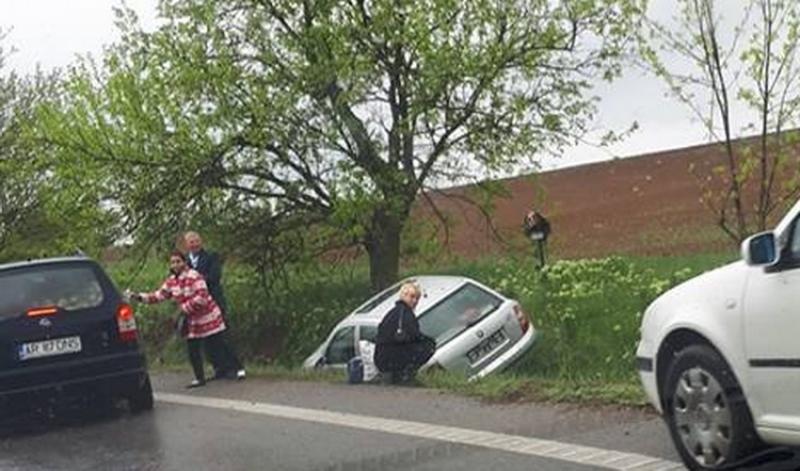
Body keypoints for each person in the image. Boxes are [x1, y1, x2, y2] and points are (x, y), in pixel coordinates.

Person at [130, 251, 243, 388]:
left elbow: (202, 297)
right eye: (173, 262)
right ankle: (199, 378)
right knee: (193, 349)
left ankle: (237, 368)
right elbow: (159, 295)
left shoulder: (194, 276)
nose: (176, 265)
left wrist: (183, 309)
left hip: (208, 316)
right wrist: (139, 297)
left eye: (178, 261)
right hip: (192, 321)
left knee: (219, 343)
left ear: (184, 262)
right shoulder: (171, 281)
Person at [183, 231, 245, 380]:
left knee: (222, 336)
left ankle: (236, 367)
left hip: (214, 301)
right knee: (207, 340)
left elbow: (214, 277)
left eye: (197, 240)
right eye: (191, 242)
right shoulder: (185, 261)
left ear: (201, 241)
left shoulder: (211, 256)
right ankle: (219, 368)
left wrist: (196, 280)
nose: (195, 244)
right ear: (186, 245)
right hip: (198, 306)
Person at [374, 282, 436, 384]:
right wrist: (429, 341)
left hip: (382, 357)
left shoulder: (392, 312)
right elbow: (414, 335)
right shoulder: (405, 315)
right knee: (428, 345)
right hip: (392, 359)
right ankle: (406, 374)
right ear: (403, 296)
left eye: (417, 298)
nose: (414, 301)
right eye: (412, 297)